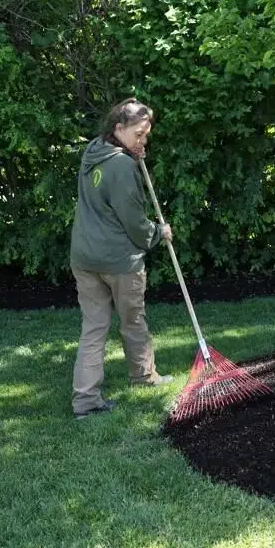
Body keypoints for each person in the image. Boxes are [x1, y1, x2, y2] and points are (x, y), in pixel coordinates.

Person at [69, 98, 174, 419]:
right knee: (133, 321)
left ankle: (85, 401)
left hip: (84, 257)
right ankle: (143, 377)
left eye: (146, 136)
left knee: (94, 328)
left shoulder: (93, 152)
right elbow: (133, 220)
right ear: (119, 128)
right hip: (118, 260)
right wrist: (158, 233)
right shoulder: (123, 166)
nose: (142, 141)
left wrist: (133, 151)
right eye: (138, 134)